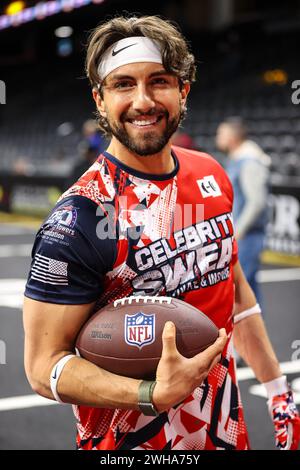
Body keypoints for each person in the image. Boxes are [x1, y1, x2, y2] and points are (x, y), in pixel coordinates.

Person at [23, 15, 300, 451]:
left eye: (160, 81)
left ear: (183, 90)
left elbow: (236, 294)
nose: (143, 100)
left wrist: (278, 388)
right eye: (123, 85)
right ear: (99, 98)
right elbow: (43, 367)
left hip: (222, 432)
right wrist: (148, 395)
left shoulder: (212, 174)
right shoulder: (78, 217)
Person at [216, 118, 271, 304]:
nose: (218, 137)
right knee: (249, 288)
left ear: (233, 137)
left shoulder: (249, 162)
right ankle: (256, 332)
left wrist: (238, 231)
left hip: (247, 236)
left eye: (222, 133)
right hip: (243, 235)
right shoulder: (238, 159)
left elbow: (256, 202)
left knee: (241, 290)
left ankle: (247, 332)